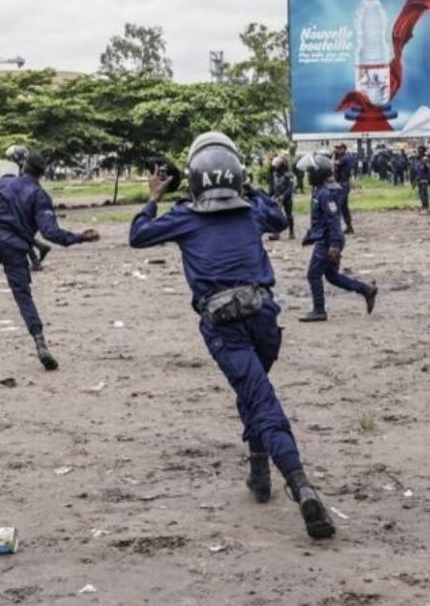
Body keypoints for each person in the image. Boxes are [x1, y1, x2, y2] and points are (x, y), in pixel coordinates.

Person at [128, 132, 336, 540]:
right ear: (237, 175)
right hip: (264, 318)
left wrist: (153, 196)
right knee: (254, 391)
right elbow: (279, 218)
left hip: (223, 324)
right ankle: (259, 471)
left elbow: (137, 234)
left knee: (260, 400)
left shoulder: (186, 215)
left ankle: (301, 484)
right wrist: (251, 187)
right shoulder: (252, 212)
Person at [0, 149, 99, 370]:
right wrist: (80, 238)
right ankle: (40, 343)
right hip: (16, 250)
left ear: (24, 166)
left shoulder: (6, 182)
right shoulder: (40, 196)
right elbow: (50, 232)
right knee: (23, 298)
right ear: (42, 173)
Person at [296, 152, 378, 323]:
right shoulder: (320, 191)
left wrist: (333, 245)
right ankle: (366, 290)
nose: (308, 176)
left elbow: (333, 220)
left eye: (311, 172)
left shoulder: (326, 193)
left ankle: (319, 310)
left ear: (319, 173)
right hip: (327, 239)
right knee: (332, 276)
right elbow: (320, 221)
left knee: (313, 275)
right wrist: (310, 236)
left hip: (329, 241)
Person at [331, 143, 356, 234]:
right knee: (344, 207)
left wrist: (334, 155)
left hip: (343, 184)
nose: (337, 150)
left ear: (344, 149)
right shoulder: (342, 157)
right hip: (340, 184)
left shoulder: (346, 157)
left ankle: (342, 226)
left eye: (339, 148)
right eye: (337, 148)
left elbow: (333, 163)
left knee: (339, 206)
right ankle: (349, 227)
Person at [269, 155, 296, 240]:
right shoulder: (274, 174)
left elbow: (290, 188)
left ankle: (291, 233)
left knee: (288, 215)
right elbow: (272, 186)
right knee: (275, 215)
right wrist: (270, 195)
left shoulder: (289, 175)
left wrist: (284, 195)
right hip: (276, 197)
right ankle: (275, 233)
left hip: (286, 198)